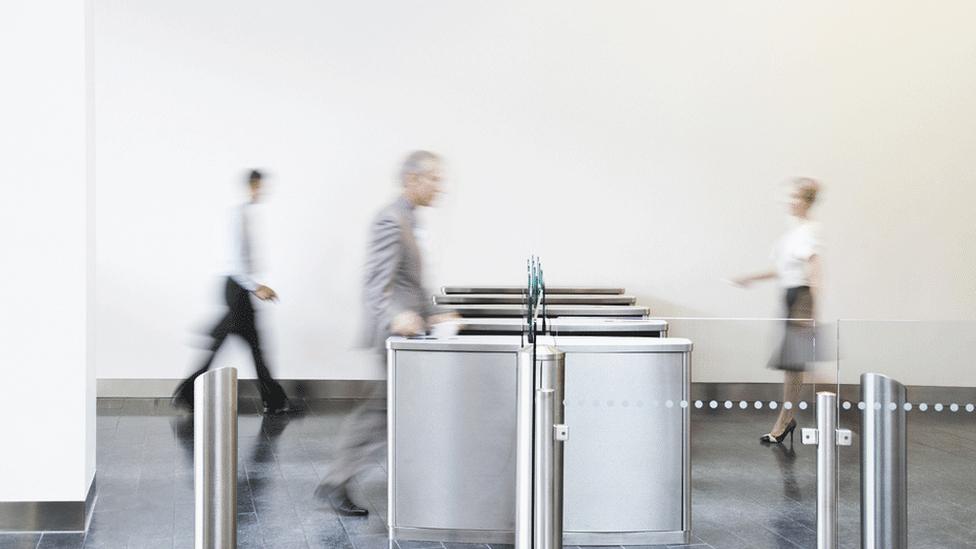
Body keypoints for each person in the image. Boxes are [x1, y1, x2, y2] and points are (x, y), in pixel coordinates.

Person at [316, 150, 451, 516]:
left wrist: (435, 312)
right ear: (412, 179)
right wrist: (398, 316)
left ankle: (350, 479)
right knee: (383, 410)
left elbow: (413, 283)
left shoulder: (410, 219)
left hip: (411, 329)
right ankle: (336, 480)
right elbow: (378, 283)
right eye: (435, 178)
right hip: (395, 333)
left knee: (395, 408)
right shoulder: (391, 220)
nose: (441, 185)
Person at [172, 169, 291, 414]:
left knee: (249, 345)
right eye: (259, 186)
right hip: (237, 289)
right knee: (249, 346)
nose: (262, 191)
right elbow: (236, 261)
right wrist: (257, 287)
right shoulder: (239, 215)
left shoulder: (247, 214)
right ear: (251, 186)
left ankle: (273, 400)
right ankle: (187, 393)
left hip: (240, 289)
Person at [733, 177, 823, 444]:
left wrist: (813, 310)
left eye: (795, 197)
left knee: (796, 364)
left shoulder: (811, 230)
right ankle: (788, 418)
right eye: (789, 197)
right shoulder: (792, 233)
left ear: (807, 201)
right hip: (790, 296)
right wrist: (750, 278)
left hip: (801, 298)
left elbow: (815, 268)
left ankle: (785, 421)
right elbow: (783, 270)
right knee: (792, 364)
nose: (789, 201)